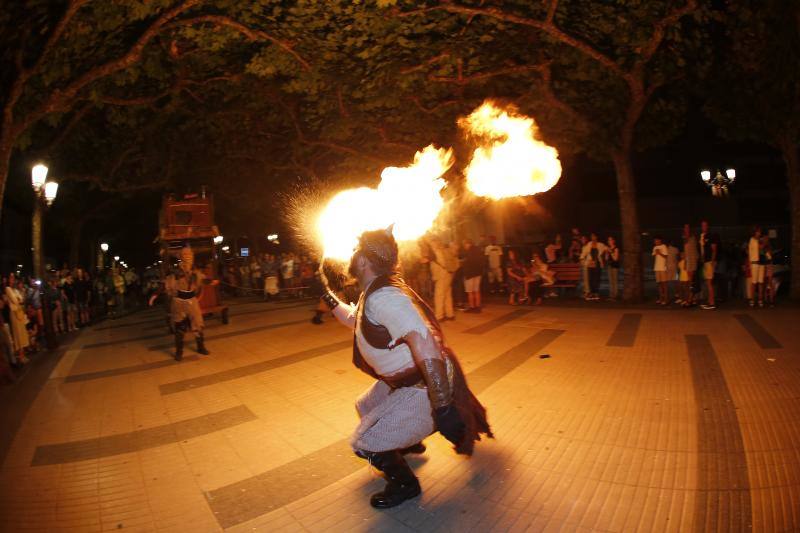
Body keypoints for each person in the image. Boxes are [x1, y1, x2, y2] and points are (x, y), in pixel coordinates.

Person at [319, 227, 491, 508]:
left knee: (365, 441)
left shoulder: (385, 298)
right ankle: (409, 442)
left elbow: (425, 346)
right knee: (365, 406)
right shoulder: (374, 292)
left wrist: (443, 407)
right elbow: (356, 320)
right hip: (403, 380)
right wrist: (328, 297)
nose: (349, 255)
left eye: (354, 251)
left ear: (363, 261)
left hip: (422, 385)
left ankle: (405, 485)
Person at [160, 246, 210, 360]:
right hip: (179, 303)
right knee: (179, 328)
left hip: (192, 302)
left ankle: (201, 347)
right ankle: (179, 352)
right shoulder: (175, 271)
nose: (188, 257)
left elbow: (201, 280)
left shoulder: (195, 271)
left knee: (198, 325)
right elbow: (168, 285)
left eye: (190, 255)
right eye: (185, 255)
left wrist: (210, 281)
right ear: (181, 257)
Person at [5, 273, 30, 364]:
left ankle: (23, 354)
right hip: (14, 313)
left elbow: (21, 299)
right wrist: (18, 300)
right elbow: (15, 300)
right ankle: (20, 356)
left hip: (19, 312)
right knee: (17, 334)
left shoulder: (15, 290)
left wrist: (19, 300)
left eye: (13, 277)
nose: (12, 279)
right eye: (10, 277)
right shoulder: (8, 289)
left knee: (22, 333)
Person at [429, 238, 457, 321]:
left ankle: (439, 316)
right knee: (448, 295)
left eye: (432, 243)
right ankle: (450, 314)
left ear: (435, 243)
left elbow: (441, 264)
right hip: (448, 275)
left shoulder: (437, 252)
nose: (431, 245)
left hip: (442, 276)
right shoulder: (445, 251)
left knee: (439, 296)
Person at [699, 220, 719, 310]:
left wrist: (713, 261)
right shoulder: (703, 236)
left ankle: (712, 303)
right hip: (705, 262)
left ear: (708, 226)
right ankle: (709, 301)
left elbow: (714, 249)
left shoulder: (711, 236)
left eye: (705, 225)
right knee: (708, 282)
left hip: (709, 262)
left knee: (709, 283)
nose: (704, 227)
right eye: (702, 226)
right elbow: (703, 249)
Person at [580, 233, 606, 301]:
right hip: (590, 263)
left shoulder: (600, 245)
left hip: (597, 264)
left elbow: (606, 249)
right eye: (591, 236)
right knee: (590, 279)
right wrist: (582, 259)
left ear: (596, 237)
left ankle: (596, 292)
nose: (593, 238)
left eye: (594, 236)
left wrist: (607, 256)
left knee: (597, 278)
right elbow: (584, 253)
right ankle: (591, 293)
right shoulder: (589, 244)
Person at [461, 239, 484, 313]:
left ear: (468, 244)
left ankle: (472, 307)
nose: (464, 246)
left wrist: (463, 262)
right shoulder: (478, 250)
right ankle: (478, 307)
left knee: (470, 292)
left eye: (464, 245)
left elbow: (467, 262)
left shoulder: (468, 252)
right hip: (478, 273)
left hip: (470, 274)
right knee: (477, 290)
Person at [682, 224, 699, 306]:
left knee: (691, 281)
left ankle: (690, 299)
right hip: (688, 262)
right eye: (685, 228)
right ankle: (692, 299)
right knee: (690, 281)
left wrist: (696, 260)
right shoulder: (685, 239)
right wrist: (685, 262)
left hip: (692, 261)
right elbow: (685, 252)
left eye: (687, 228)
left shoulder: (693, 238)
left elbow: (695, 251)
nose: (686, 229)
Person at [747, 226, 764, 307]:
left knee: (761, 282)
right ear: (754, 232)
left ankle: (760, 300)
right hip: (754, 263)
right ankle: (752, 299)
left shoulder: (761, 240)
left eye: (760, 232)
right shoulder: (752, 240)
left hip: (761, 263)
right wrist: (749, 264)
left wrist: (762, 242)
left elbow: (763, 249)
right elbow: (750, 253)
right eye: (758, 231)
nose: (759, 233)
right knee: (754, 282)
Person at [652, 236, 669, 305]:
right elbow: (653, 255)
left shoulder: (664, 246)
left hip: (662, 268)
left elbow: (666, 256)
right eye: (655, 241)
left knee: (664, 284)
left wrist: (659, 253)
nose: (655, 242)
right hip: (656, 268)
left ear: (660, 240)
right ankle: (661, 298)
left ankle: (666, 299)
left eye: (657, 241)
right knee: (659, 284)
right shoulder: (654, 247)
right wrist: (656, 253)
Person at [605, 236, 620, 301]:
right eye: (608, 240)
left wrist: (611, 251)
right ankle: (611, 295)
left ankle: (615, 295)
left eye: (610, 240)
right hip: (609, 266)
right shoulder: (608, 249)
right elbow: (606, 259)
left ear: (614, 241)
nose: (609, 241)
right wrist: (607, 252)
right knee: (611, 281)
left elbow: (615, 259)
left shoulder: (616, 249)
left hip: (615, 266)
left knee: (615, 281)